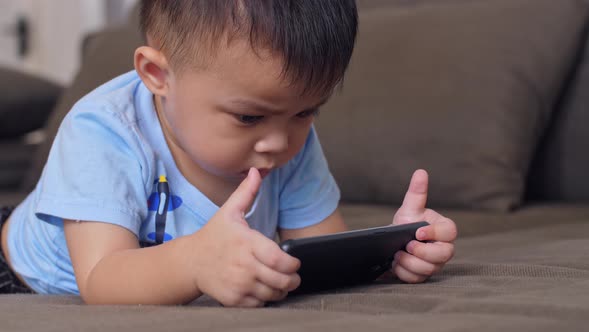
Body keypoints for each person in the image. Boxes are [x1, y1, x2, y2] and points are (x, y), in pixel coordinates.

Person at [0, 0, 457, 307]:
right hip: (19, 272)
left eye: (305, 112)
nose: (280, 142)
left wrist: (388, 256)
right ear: (158, 75)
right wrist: (194, 262)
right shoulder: (103, 130)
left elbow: (318, 256)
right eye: (248, 118)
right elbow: (101, 281)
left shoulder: (287, 138)